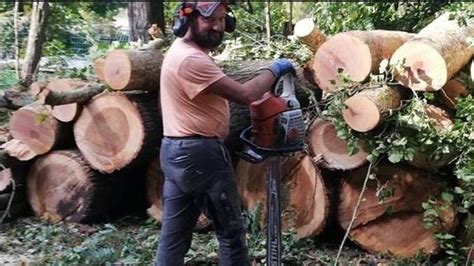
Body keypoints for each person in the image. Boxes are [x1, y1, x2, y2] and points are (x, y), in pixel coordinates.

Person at [155, 1, 295, 265]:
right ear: (188, 21)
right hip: (200, 156)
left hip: (175, 150)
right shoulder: (190, 59)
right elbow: (246, 95)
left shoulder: (180, 52)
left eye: (222, 19)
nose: (218, 26)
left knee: (173, 237)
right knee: (231, 233)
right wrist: (275, 68)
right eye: (210, 20)